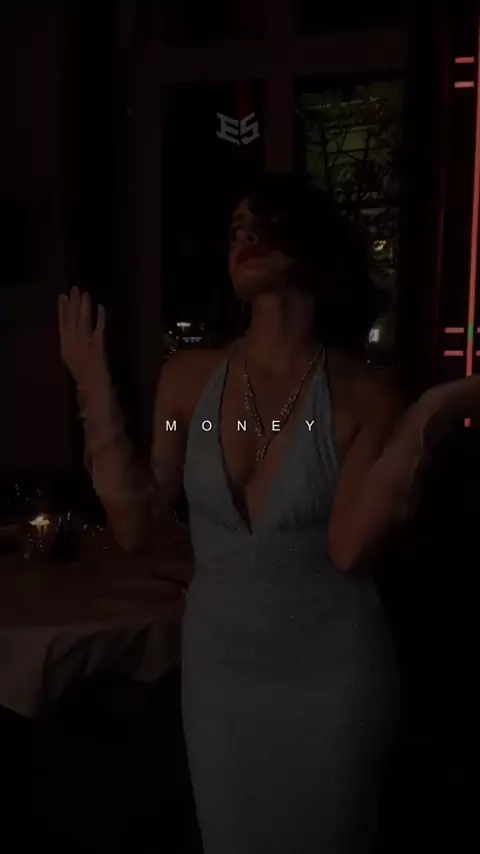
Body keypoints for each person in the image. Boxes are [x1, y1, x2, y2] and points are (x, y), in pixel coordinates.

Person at [58, 174, 480, 854]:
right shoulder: (186, 381)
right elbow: (137, 526)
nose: (244, 236)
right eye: (235, 228)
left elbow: (349, 547)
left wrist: (427, 417)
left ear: (310, 244)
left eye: (264, 223)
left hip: (334, 676)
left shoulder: (365, 395)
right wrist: (94, 387)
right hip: (220, 676)